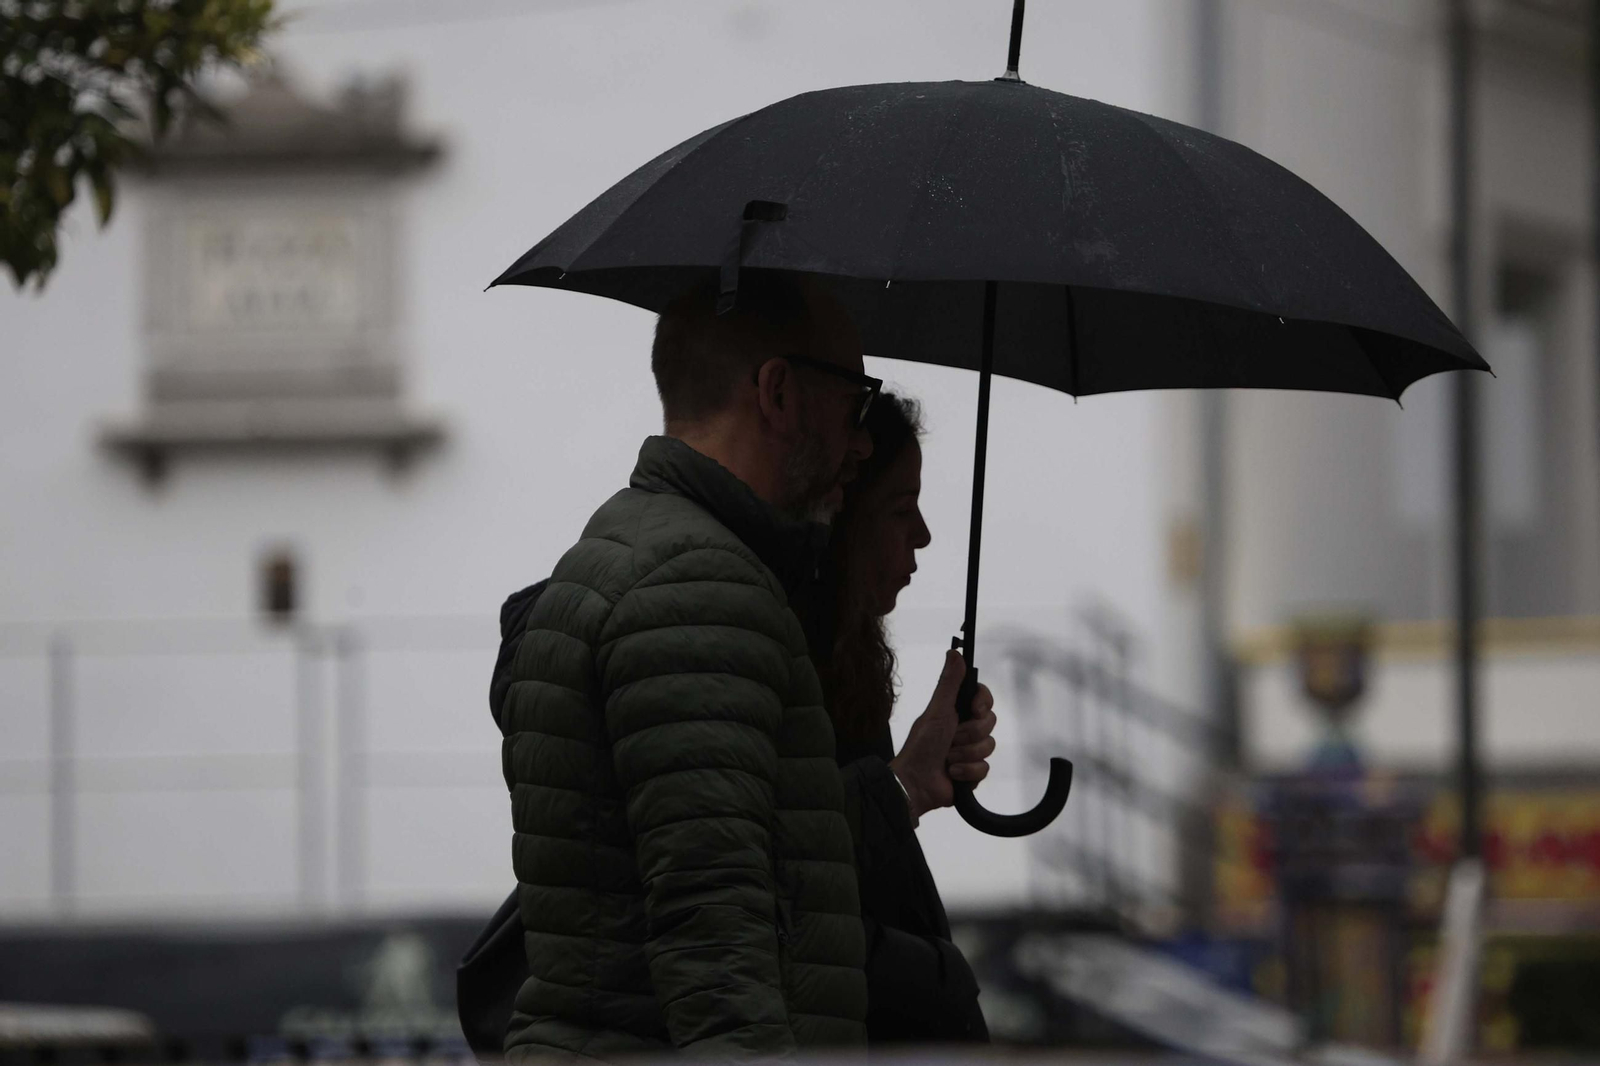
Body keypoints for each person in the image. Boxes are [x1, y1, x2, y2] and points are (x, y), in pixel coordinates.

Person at [491, 273, 982, 1062]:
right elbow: (714, 935)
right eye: (855, 399)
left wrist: (909, 783)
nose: (862, 438)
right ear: (779, 392)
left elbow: (765, 854)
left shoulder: (635, 547)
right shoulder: (700, 590)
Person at [799, 392, 995, 1045]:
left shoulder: (846, 662)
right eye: (900, 509)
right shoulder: (791, 659)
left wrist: (910, 779)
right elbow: (788, 882)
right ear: (844, 520)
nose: (924, 535)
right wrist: (903, 784)